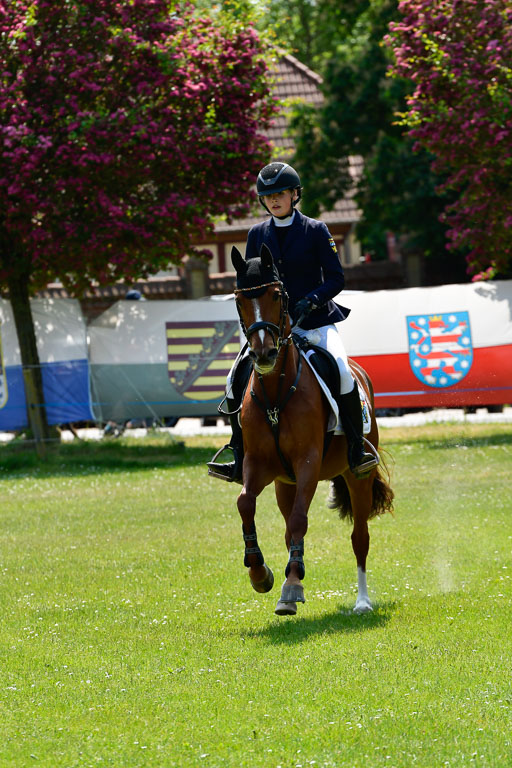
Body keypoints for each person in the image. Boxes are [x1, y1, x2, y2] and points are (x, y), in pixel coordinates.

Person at [207, 161, 378, 484]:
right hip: (272, 330)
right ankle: (238, 452)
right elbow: (251, 279)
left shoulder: (315, 230)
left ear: (294, 195)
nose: (274, 200)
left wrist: (312, 299)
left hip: (314, 323)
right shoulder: (257, 234)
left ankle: (356, 450)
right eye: (268, 196)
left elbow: (336, 278)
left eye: (281, 194)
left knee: (342, 372)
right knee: (233, 378)